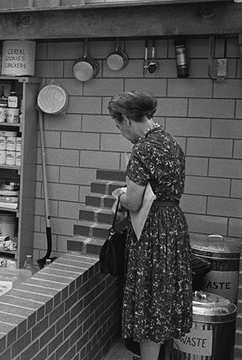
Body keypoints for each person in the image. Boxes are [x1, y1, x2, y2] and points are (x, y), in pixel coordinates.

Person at [108, 91, 192, 360]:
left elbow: (133, 202)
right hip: (174, 224)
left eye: (119, 126)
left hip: (152, 229)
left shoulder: (143, 148)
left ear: (126, 120)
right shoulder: (171, 142)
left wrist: (119, 194)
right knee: (163, 300)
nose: (121, 132)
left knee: (147, 302)